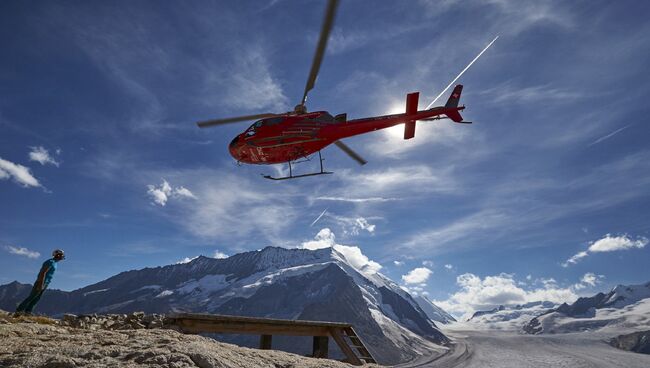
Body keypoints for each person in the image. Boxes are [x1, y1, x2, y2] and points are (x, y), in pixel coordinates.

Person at [14, 249, 65, 316]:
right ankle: (19, 311)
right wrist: (41, 284)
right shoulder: (50, 262)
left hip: (46, 283)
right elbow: (43, 273)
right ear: (57, 255)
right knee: (32, 297)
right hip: (41, 282)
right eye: (61, 255)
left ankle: (28, 312)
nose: (62, 256)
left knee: (37, 298)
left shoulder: (55, 263)